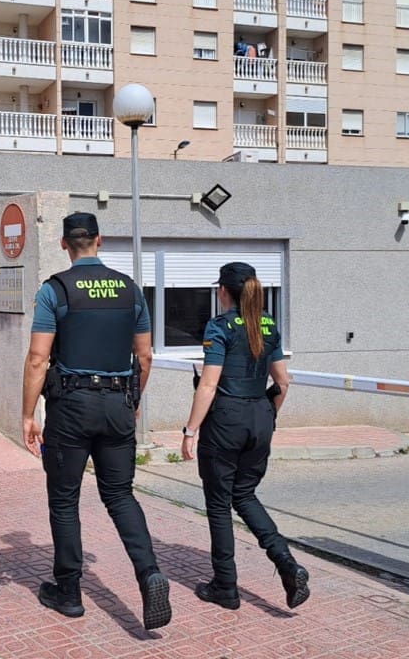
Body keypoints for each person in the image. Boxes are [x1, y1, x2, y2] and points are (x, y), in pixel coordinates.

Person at [21, 212, 171, 631]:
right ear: (99, 240)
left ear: (64, 244)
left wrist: (28, 414)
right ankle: (149, 573)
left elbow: (38, 359)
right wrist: (133, 400)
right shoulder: (130, 289)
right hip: (118, 402)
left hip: (71, 407)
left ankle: (69, 592)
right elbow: (145, 356)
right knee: (120, 495)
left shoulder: (55, 290)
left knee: (65, 499)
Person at [181, 262, 309, 611]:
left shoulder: (220, 326)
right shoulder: (268, 324)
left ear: (223, 291)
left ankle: (225, 586)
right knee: (245, 495)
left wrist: (190, 431)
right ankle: (287, 564)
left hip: (226, 421)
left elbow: (209, 385)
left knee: (219, 505)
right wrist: (267, 415)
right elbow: (282, 383)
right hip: (260, 419)